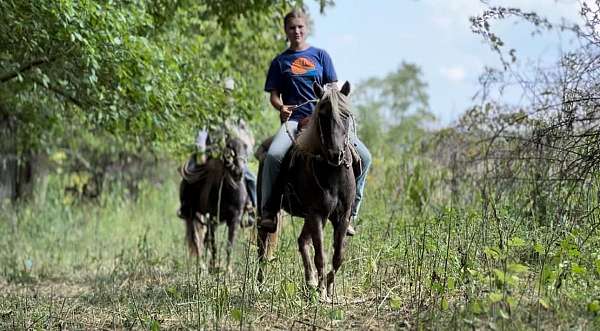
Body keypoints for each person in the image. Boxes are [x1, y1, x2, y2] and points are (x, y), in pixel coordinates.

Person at [258, 8, 372, 236]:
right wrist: (281, 107)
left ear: (306, 28)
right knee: (273, 156)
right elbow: (273, 95)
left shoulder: (321, 56)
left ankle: (350, 213)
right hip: (296, 121)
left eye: (300, 27)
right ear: (286, 31)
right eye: (292, 28)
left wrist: (323, 111)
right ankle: (268, 212)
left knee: (365, 157)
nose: (296, 31)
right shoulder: (280, 62)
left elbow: (333, 89)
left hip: (325, 119)